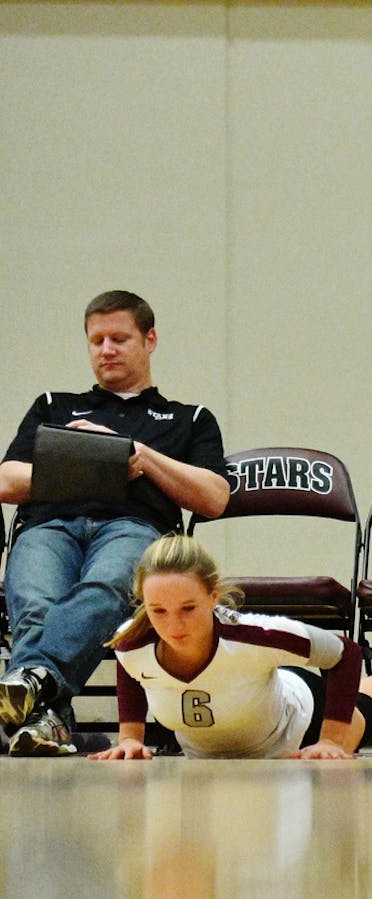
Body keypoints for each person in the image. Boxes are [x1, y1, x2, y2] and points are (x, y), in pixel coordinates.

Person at [0, 290, 231, 756]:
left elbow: (213, 497)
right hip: (49, 524)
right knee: (36, 604)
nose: (106, 350)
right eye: (96, 340)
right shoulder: (54, 406)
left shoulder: (190, 419)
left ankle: (35, 682)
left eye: (119, 338)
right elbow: (7, 480)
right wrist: (90, 462)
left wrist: (137, 453)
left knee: (106, 587)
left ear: (150, 340)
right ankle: (47, 715)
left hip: (133, 527)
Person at [88, 535, 372, 760]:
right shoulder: (131, 642)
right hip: (215, 747)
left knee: (359, 724)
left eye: (188, 608)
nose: (174, 626)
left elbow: (344, 653)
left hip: (295, 728)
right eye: (158, 610)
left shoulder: (253, 634)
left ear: (213, 596)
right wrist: (131, 737)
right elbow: (130, 664)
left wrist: (330, 740)